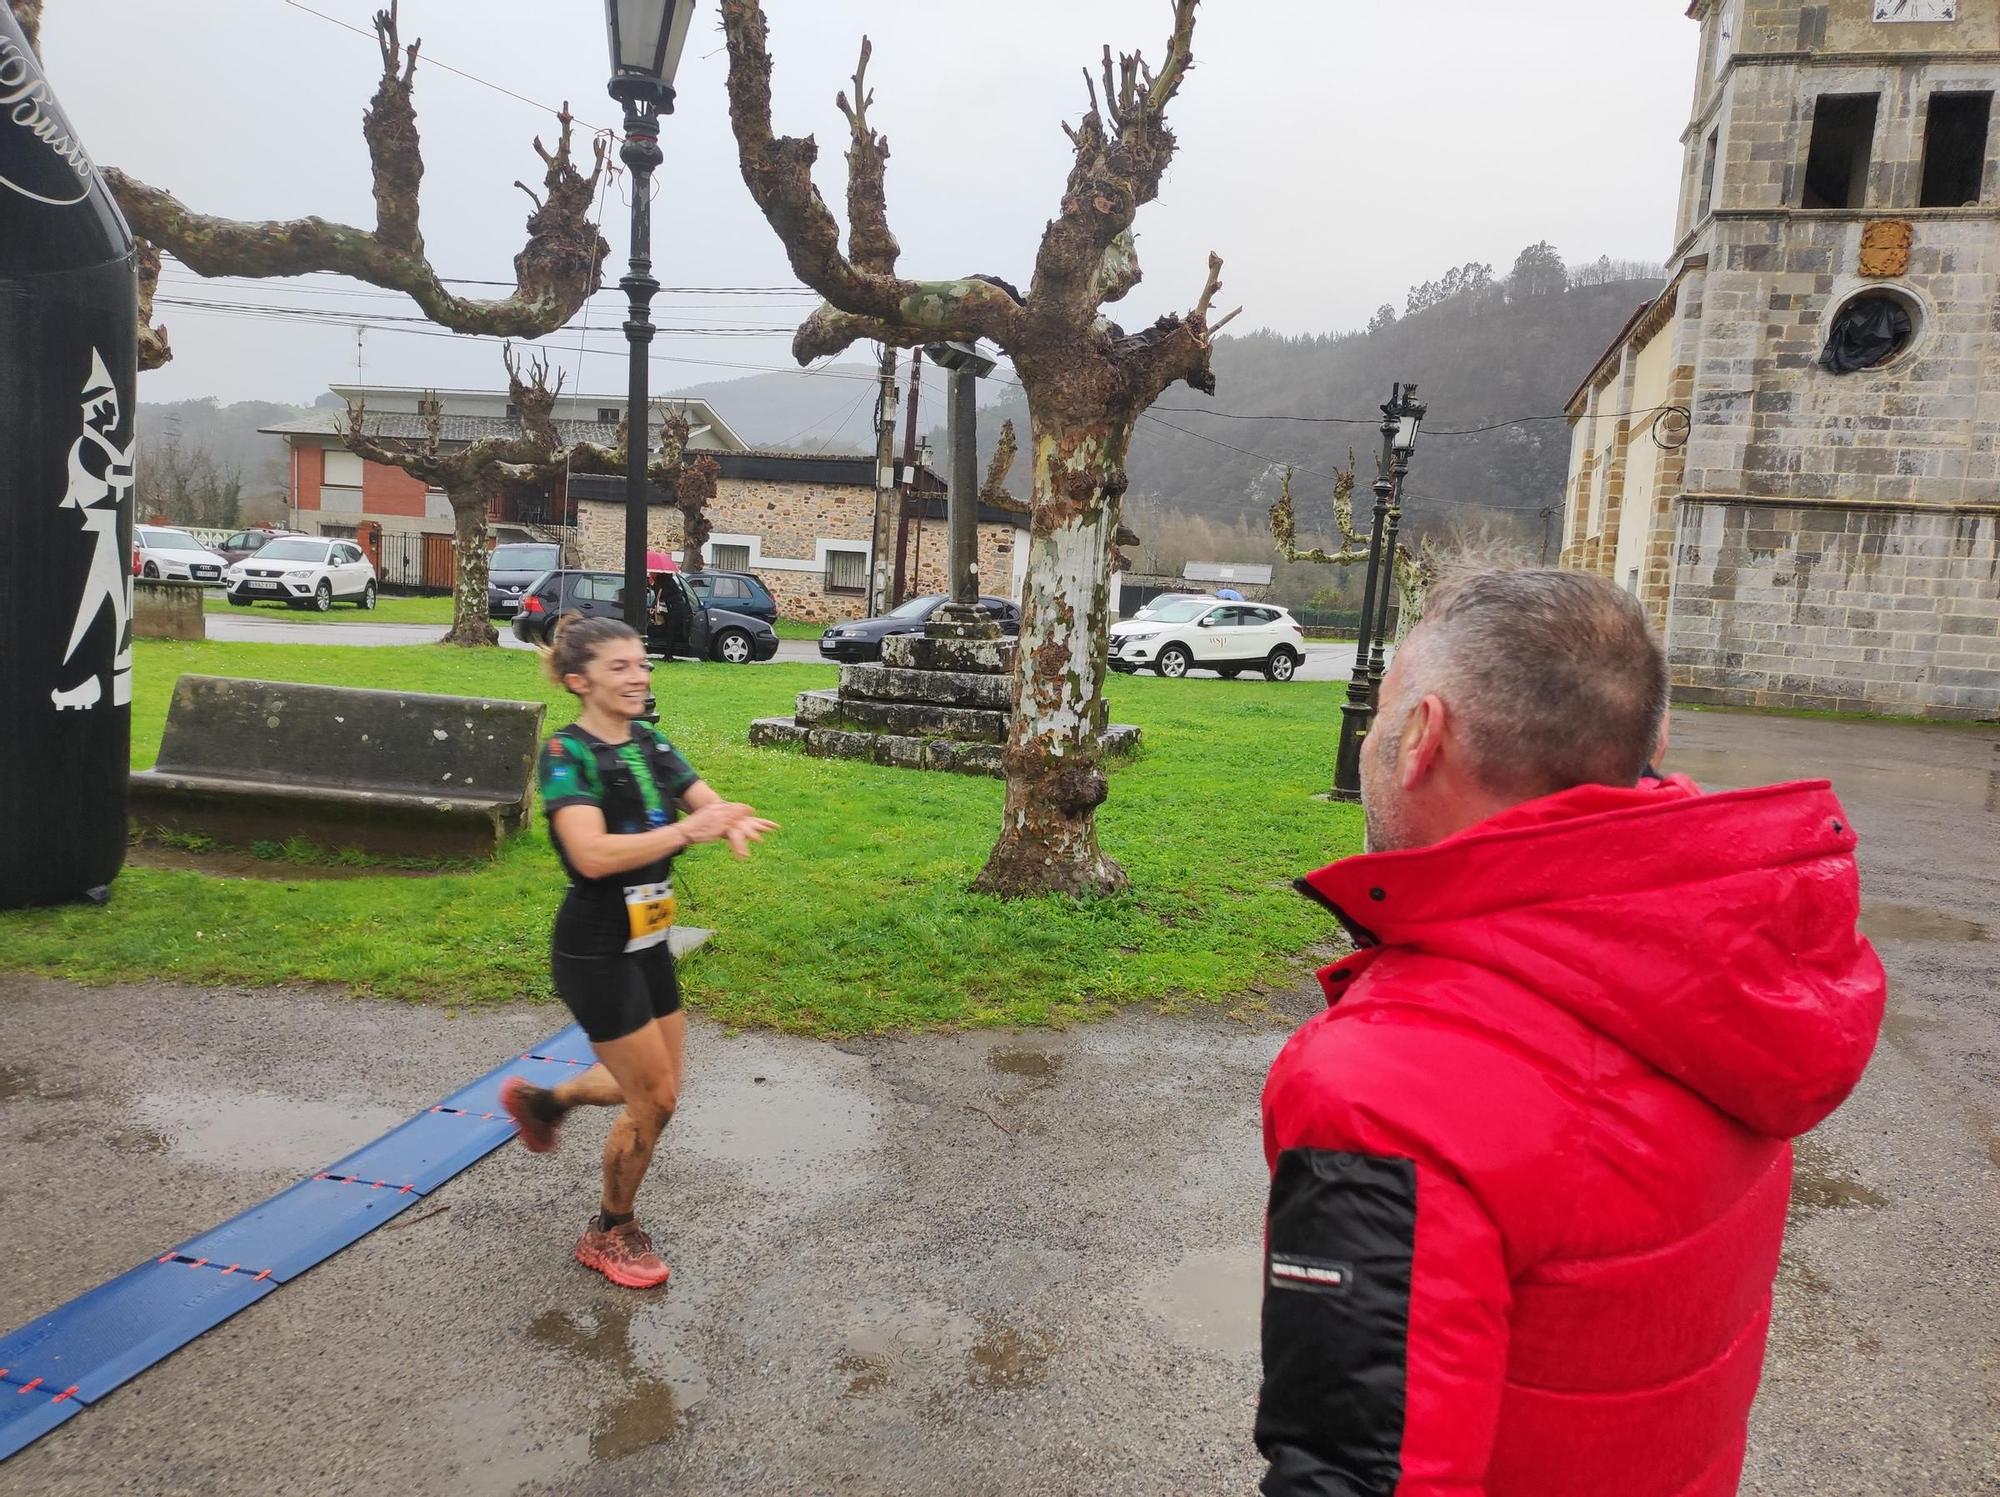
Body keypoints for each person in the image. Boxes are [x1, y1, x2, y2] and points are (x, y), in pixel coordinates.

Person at [1255, 569, 1885, 1497]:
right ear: (1652, 740)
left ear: (1422, 737)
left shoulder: (1386, 1087)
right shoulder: (1723, 960)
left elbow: (1363, 1477)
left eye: (1386, 713)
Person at [501, 613, 776, 1289]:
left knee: (660, 1090)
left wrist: (728, 817)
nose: (638, 675)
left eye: (643, 663)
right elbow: (591, 854)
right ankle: (609, 1229)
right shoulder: (568, 754)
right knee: (652, 1097)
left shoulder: (649, 742)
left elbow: (707, 801)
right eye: (619, 666)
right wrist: (690, 830)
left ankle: (547, 1101)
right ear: (578, 680)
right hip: (595, 943)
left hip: (648, 935)